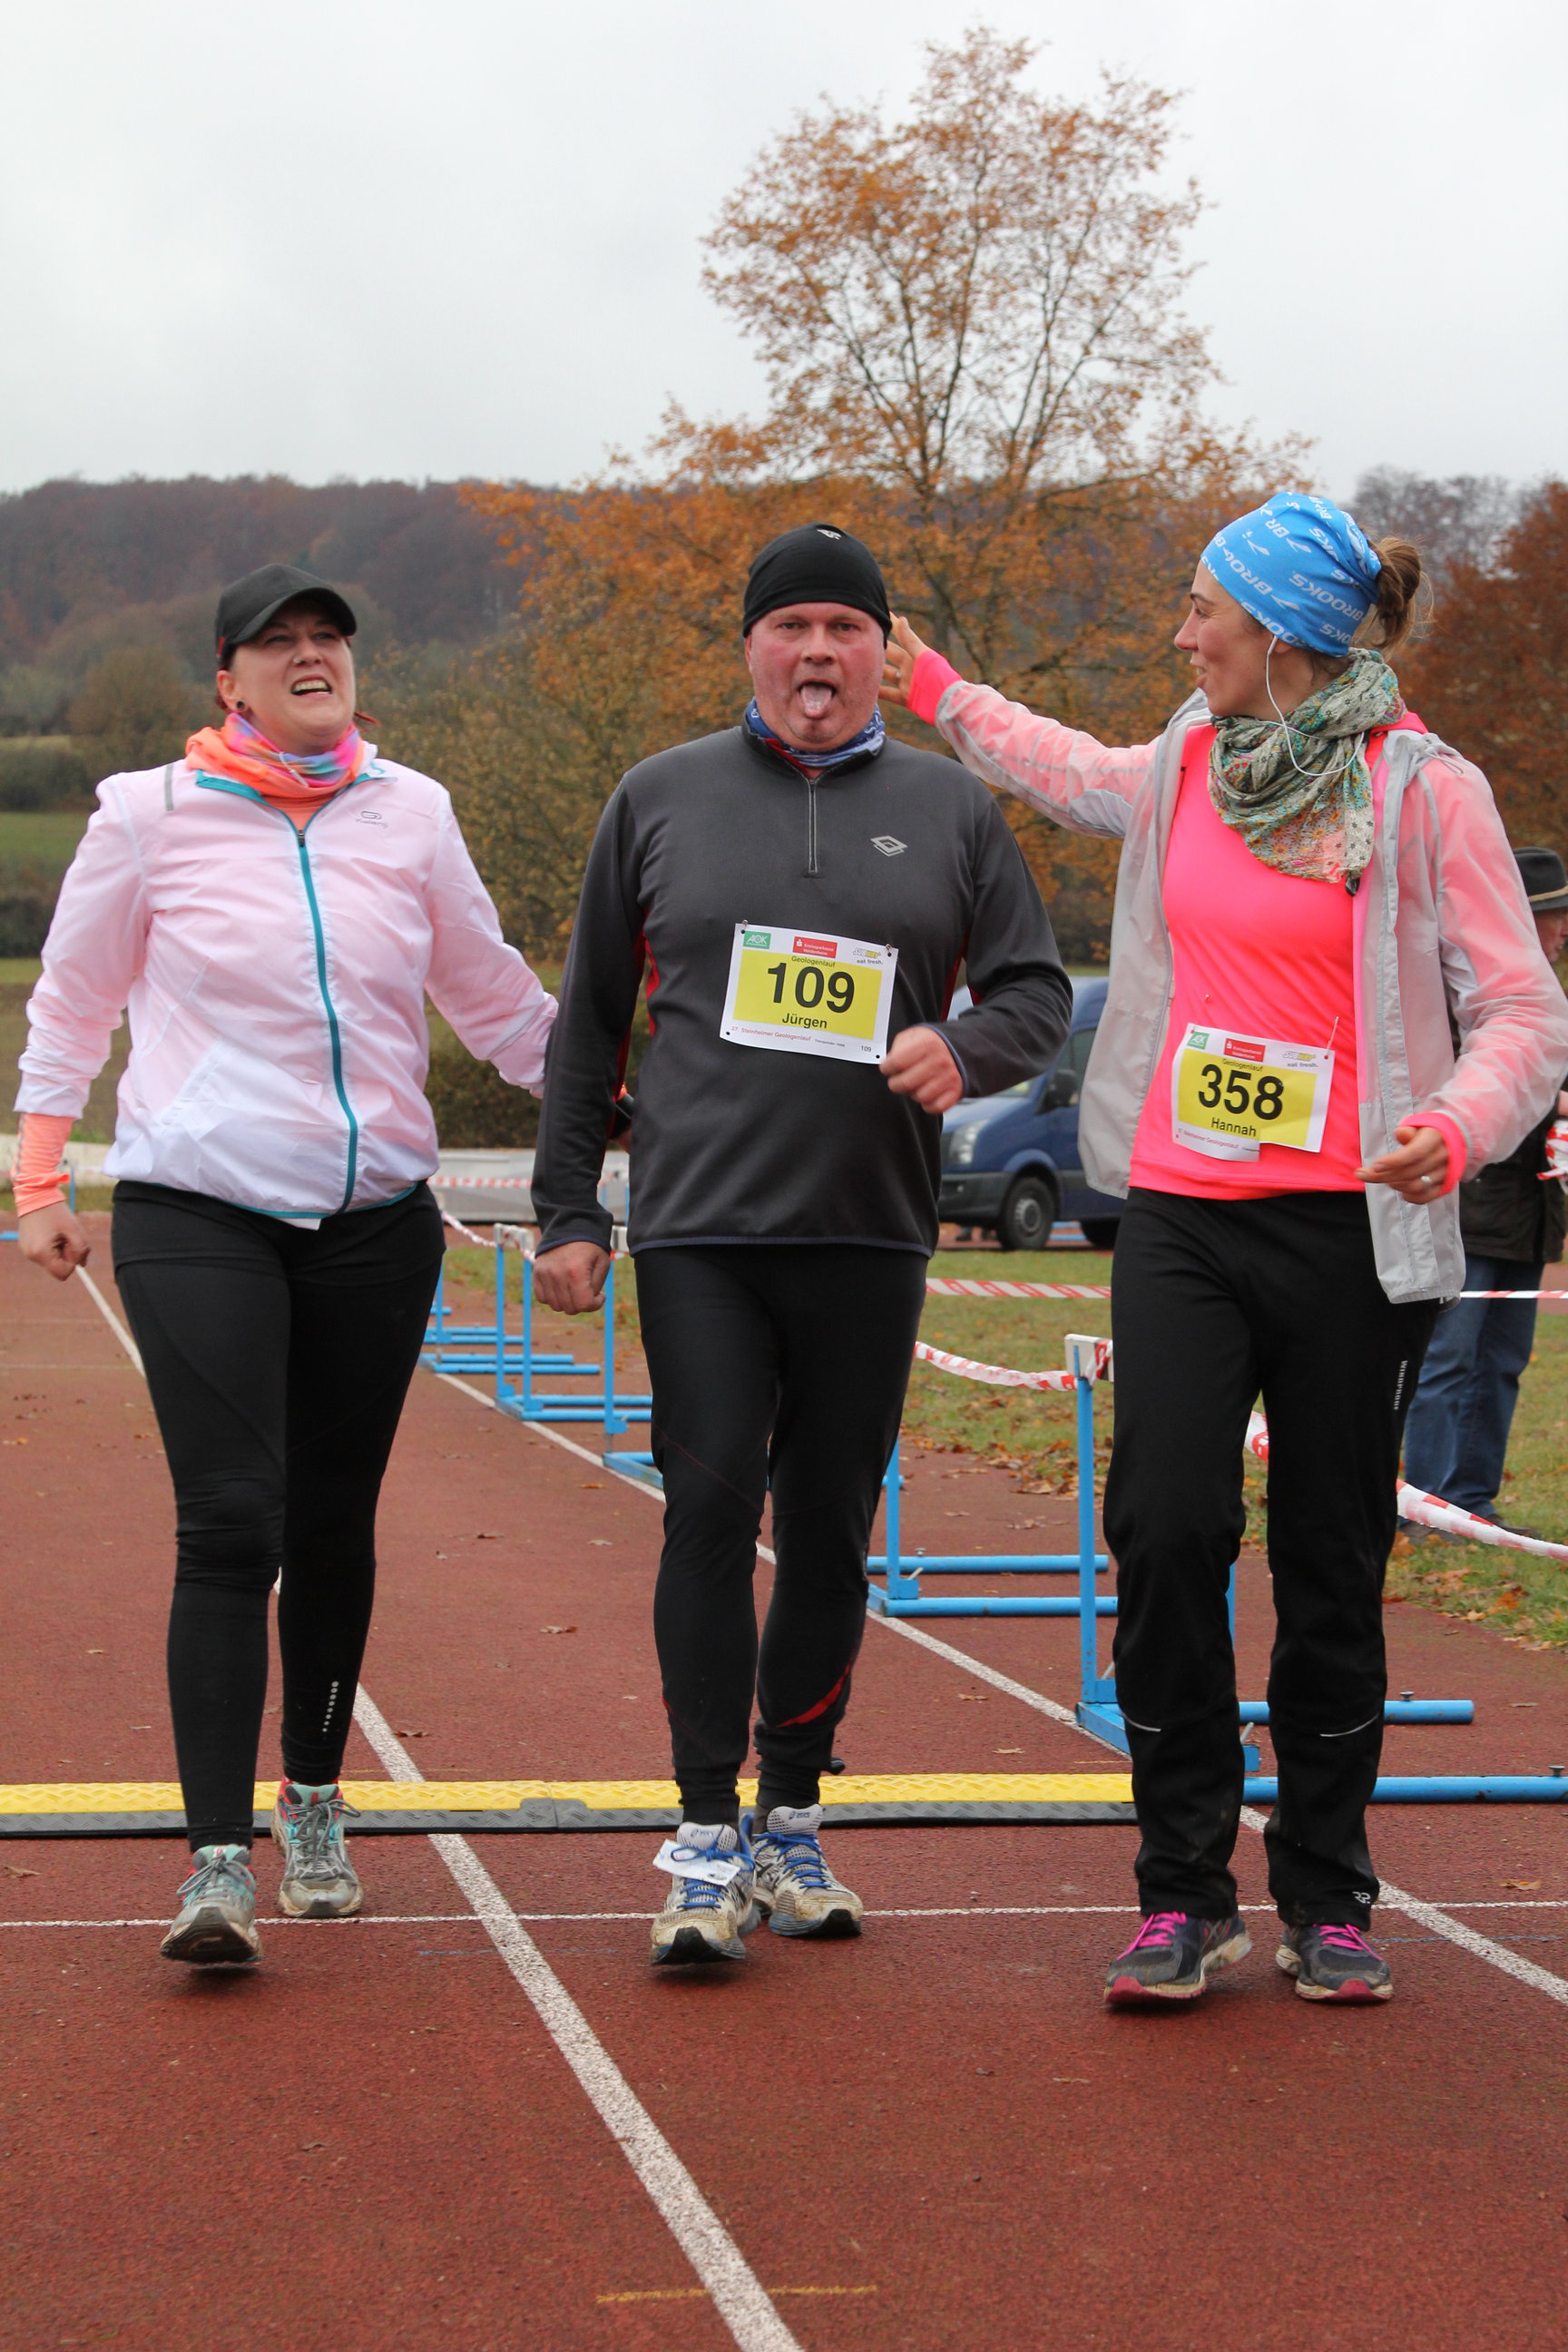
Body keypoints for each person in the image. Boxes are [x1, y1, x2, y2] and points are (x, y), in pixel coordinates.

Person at [882, 493, 1568, 2005]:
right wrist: (933, 687)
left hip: (1348, 1225)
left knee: (1331, 1553)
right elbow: (1067, 768)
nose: (1180, 635)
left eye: (1203, 612)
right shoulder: (1190, 760)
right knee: (1166, 1522)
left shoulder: (1421, 790)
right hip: (1183, 1211)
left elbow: (1524, 1009)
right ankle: (1182, 1889)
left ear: (1279, 636)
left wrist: (1453, 1127)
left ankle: (1326, 1893)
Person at [532, 522, 1071, 1966]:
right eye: (793, 627)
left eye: (847, 628)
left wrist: (964, 1048)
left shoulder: (953, 809)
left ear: (884, 653)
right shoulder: (659, 796)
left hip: (870, 1230)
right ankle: (704, 1835)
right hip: (702, 1227)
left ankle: (790, 1816)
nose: (819, 651)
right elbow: (589, 1023)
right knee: (709, 1511)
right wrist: (569, 1208)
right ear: (752, 648)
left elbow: (1034, 991)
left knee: (830, 1532)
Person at [13, 564, 554, 1965]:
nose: (313, 655)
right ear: (230, 679)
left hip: (375, 1224)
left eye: (330, 638)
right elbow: (73, 999)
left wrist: (624, 1100)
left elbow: (491, 993)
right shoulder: (149, 814)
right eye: (280, 642)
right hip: (200, 1208)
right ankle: (213, 1863)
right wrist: (40, 1177)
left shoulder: (413, 810)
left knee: (327, 1520)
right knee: (230, 1521)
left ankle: (313, 1801)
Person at [1401, 846, 1568, 1533]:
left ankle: (1475, 1504)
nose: (1563, 930)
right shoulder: (1463, 995)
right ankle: (1426, 1507)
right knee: (1449, 1360)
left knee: (1501, 1363)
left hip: (1531, 1214)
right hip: (1468, 1209)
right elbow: (1467, 1094)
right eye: (1554, 915)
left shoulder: (1547, 999)